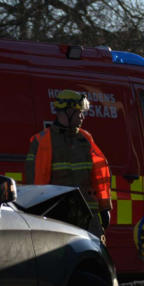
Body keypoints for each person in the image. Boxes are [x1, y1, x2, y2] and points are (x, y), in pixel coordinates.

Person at [25, 89, 112, 237]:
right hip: (58, 216)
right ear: (69, 111)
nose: (83, 116)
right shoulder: (41, 142)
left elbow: (99, 176)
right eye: (80, 112)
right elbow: (34, 182)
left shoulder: (85, 139)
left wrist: (104, 209)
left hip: (88, 216)